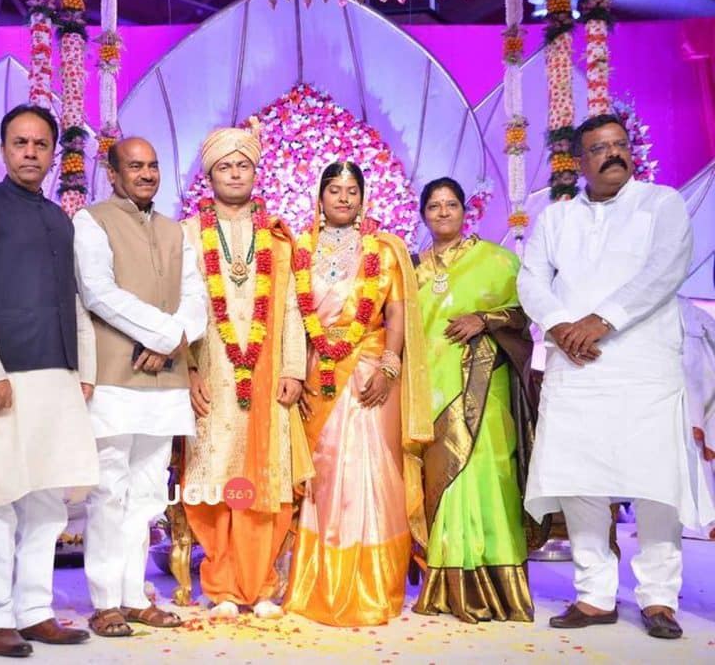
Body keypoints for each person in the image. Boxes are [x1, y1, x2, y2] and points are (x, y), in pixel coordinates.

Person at [519, 114, 715, 639]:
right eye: (600, 148)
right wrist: (561, 326)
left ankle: (658, 598)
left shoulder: (660, 204)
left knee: (655, 480)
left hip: (643, 367)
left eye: (620, 144)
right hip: (576, 368)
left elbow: (665, 269)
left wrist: (601, 321)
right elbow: (531, 279)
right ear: (580, 162)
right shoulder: (557, 219)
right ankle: (594, 595)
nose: (613, 154)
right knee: (579, 479)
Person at [0, 104, 99, 658]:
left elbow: (75, 299)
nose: (31, 153)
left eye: (40, 144)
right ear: (4, 149)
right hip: (3, 377)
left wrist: (84, 372)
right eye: (20, 143)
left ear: (53, 154)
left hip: (57, 375)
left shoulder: (60, 217)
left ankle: (34, 611)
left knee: (48, 501)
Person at [281, 162, 432, 626]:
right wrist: (296, 373)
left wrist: (389, 366)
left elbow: (396, 315)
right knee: (324, 471)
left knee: (371, 470)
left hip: (369, 371)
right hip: (316, 371)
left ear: (363, 198)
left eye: (351, 191)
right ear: (320, 198)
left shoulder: (384, 251)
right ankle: (317, 580)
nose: (344, 198)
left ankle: (373, 583)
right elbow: (292, 318)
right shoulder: (300, 249)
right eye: (334, 190)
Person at [73, 137, 207, 637]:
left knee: (149, 494)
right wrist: (164, 335)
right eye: (135, 166)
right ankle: (105, 600)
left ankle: (133, 597)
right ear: (113, 173)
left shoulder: (176, 231)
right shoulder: (91, 221)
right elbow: (98, 291)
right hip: (115, 377)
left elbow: (196, 298)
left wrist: (172, 340)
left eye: (152, 165)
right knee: (109, 491)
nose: (147, 174)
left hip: (166, 382)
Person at [181, 122, 313, 620]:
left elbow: (293, 308)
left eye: (243, 165)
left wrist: (294, 369)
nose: (235, 174)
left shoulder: (277, 239)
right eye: (225, 166)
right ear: (209, 175)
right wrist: (187, 370)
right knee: (216, 475)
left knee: (264, 480)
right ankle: (221, 584)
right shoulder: (187, 235)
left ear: (256, 173)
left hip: (267, 373)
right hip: (211, 372)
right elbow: (177, 307)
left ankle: (260, 586)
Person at [410, 177, 543, 624]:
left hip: (485, 386)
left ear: (465, 211)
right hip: (430, 389)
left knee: (489, 473)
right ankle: (446, 585)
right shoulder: (412, 269)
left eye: (451, 204)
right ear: (423, 215)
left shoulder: (498, 261)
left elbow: (527, 312)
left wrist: (485, 319)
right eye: (434, 206)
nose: (442, 212)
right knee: (441, 479)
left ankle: (499, 586)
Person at [679, 297, 715, 540]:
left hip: (692, 386)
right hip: (692, 386)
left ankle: (702, 522)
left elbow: (693, 364)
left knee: (693, 454)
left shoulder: (687, 311)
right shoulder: (692, 312)